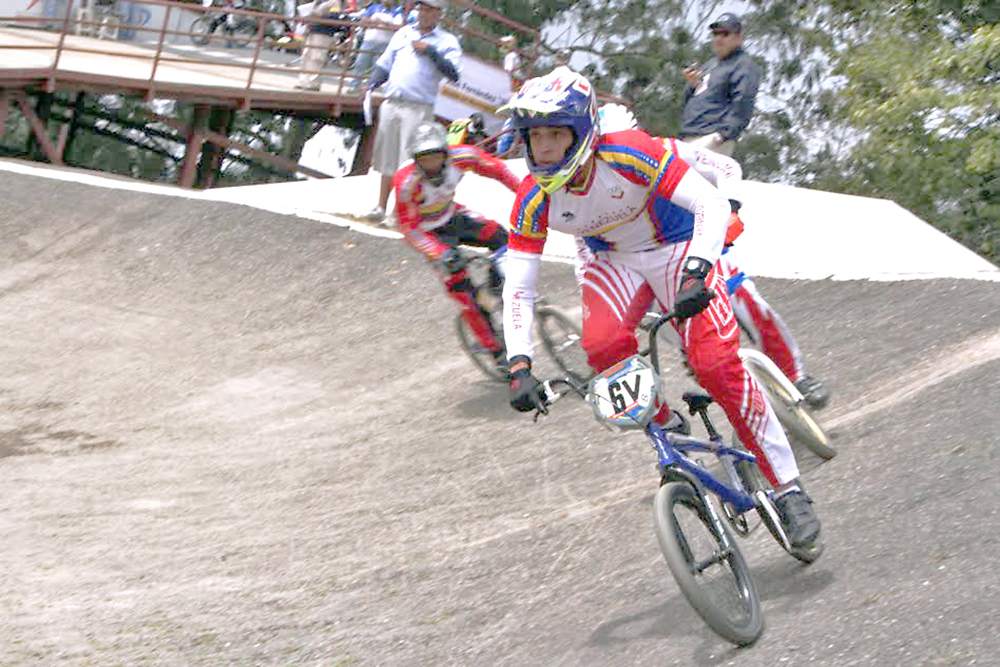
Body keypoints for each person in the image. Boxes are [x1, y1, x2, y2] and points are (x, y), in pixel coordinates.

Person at [497, 68, 822, 549]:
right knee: (601, 347)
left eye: (553, 134)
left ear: (582, 133)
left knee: (716, 367)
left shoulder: (630, 151)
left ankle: (788, 487)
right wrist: (519, 363)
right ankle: (666, 424)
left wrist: (696, 271)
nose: (541, 148)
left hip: (679, 247)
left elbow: (711, 203)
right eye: (534, 136)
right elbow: (519, 289)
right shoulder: (532, 198)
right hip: (612, 260)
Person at [597, 103, 830, 408]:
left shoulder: (666, 149)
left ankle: (795, 376)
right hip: (646, 272)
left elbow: (726, 167)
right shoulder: (589, 185)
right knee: (691, 348)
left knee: (750, 304)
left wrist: (731, 208)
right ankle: (741, 401)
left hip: (700, 249)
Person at [392, 122, 521, 369]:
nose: (431, 165)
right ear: (416, 160)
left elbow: (499, 170)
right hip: (428, 234)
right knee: (460, 286)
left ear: (446, 153)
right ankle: (494, 351)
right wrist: (440, 254)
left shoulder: (462, 156)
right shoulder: (406, 182)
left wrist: (526, 194)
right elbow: (408, 228)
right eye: (424, 159)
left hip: (453, 216)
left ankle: (494, 293)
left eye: (436, 156)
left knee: (501, 237)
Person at [362, 0, 462, 227]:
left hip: (418, 108)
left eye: (428, 9)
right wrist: (371, 83)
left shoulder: (447, 41)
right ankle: (380, 206)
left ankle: (398, 214)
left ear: (438, 13)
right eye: (421, 8)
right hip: (392, 103)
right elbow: (385, 63)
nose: (423, 13)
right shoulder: (403, 33)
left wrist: (431, 53)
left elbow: (454, 74)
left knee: (408, 163)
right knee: (386, 159)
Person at [679, 13, 761, 156]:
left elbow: (743, 103)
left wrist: (722, 136)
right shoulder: (710, 65)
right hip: (689, 138)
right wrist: (692, 85)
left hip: (712, 140)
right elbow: (689, 101)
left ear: (739, 38)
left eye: (725, 34)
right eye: (715, 34)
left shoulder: (743, 65)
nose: (718, 38)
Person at [295, 0, 354, 90]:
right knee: (306, 56)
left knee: (316, 57)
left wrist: (318, 16)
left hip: (323, 32)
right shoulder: (318, 2)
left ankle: (313, 83)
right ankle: (303, 81)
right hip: (312, 30)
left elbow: (335, 16)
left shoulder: (334, 2)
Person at [345, 0, 399, 90]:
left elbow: (397, 27)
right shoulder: (373, 7)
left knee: (377, 66)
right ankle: (355, 85)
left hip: (385, 43)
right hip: (369, 40)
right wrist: (374, 22)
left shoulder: (397, 11)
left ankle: (371, 88)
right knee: (360, 63)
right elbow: (364, 20)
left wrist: (382, 23)